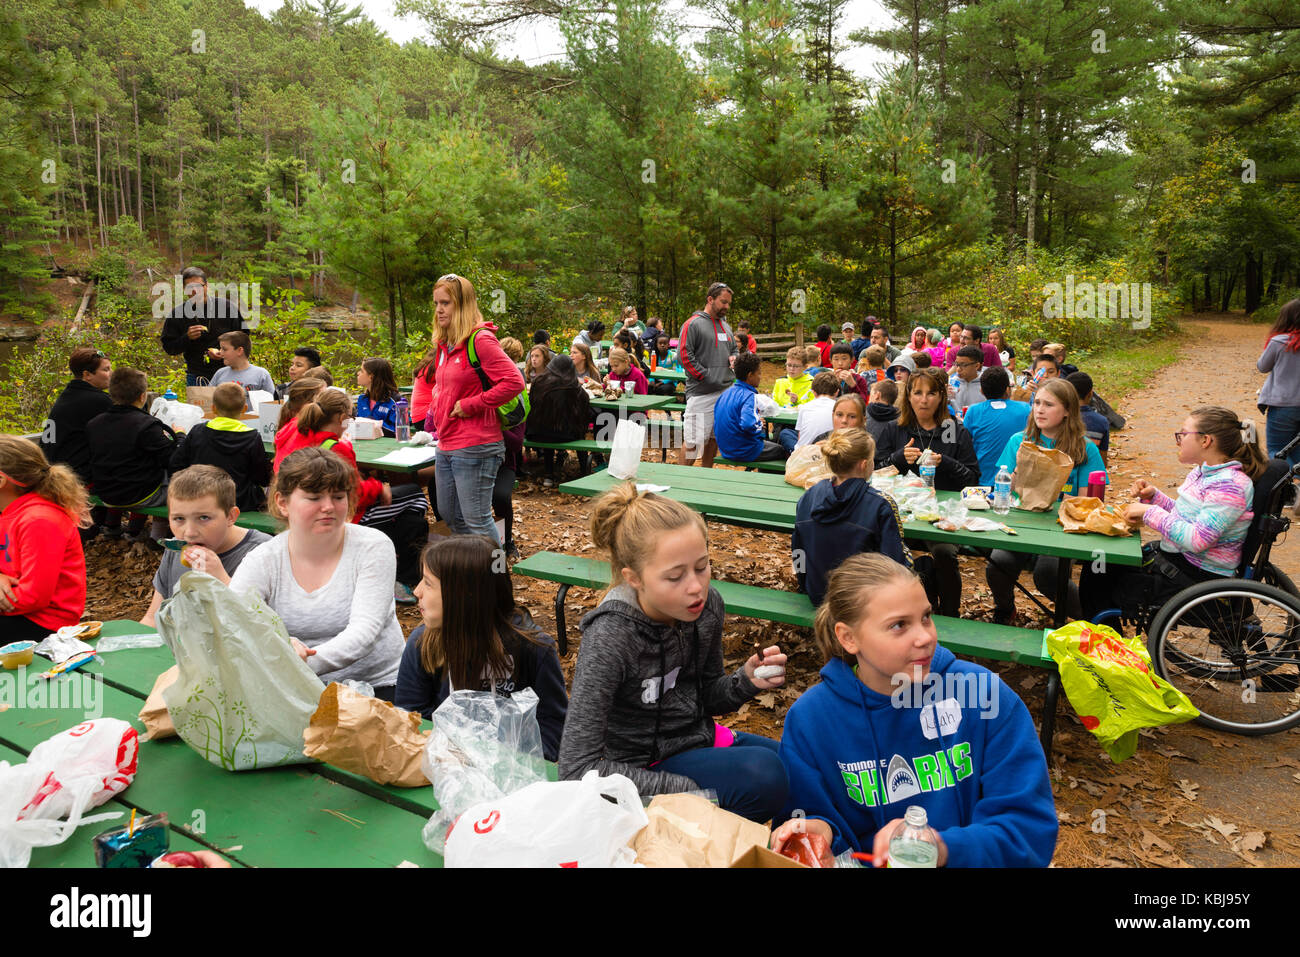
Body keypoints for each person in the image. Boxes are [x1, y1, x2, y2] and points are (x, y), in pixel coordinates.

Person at [770, 554, 1058, 867]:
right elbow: (809, 824)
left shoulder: (983, 697)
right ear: (848, 637)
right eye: (898, 625)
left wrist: (940, 847)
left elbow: (1027, 832)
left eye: (926, 617)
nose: (925, 637)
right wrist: (818, 834)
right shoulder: (811, 721)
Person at [558, 484, 790, 823]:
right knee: (764, 775)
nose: (695, 586)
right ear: (634, 578)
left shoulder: (707, 607)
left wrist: (746, 681)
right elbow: (577, 768)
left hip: (694, 743)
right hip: (634, 769)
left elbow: (707, 697)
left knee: (799, 765)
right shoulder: (611, 636)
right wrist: (680, 791)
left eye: (701, 566)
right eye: (675, 576)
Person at [229, 447, 405, 698]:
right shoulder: (263, 560)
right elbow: (233, 621)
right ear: (282, 502)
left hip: (376, 687)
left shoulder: (373, 546)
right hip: (291, 687)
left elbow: (365, 631)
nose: (328, 507)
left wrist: (292, 663)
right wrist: (273, 649)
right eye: (314, 498)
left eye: (338, 496)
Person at [1080, 407, 1268, 621]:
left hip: (1196, 579)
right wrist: (1155, 499)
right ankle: (1108, 638)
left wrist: (1150, 513)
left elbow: (1198, 539)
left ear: (1205, 441)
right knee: (1100, 561)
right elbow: (1187, 517)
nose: (1178, 440)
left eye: (1183, 434)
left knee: (1097, 575)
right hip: (1177, 562)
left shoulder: (1229, 486)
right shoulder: (1205, 472)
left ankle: (1107, 644)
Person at [396, 536, 568, 759]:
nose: (417, 591)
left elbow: (553, 730)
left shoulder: (534, 649)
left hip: (514, 777)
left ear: (464, 596)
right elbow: (411, 720)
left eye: (428, 583)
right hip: (443, 769)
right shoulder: (423, 643)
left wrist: (497, 760)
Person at [984, 378, 1107, 624]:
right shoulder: (1019, 441)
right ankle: (1005, 609)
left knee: (1049, 573)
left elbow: (1089, 502)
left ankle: (1094, 621)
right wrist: (1018, 472)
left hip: (1063, 529)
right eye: (1037, 402)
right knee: (997, 564)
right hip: (1021, 525)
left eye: (1049, 404)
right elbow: (1002, 489)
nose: (1039, 409)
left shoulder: (1085, 449)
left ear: (1067, 411)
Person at [874, 368, 980, 617]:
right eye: (917, 393)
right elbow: (875, 473)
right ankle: (894, 608)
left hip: (942, 515)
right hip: (899, 511)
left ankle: (950, 613)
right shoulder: (895, 428)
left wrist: (946, 462)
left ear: (941, 397)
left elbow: (973, 479)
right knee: (880, 546)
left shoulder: (953, 430)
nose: (924, 400)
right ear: (908, 396)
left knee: (943, 551)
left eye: (931, 393)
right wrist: (898, 459)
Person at [430, 274, 525, 544]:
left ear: (463, 305)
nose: (439, 310)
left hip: (477, 444)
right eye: (436, 303)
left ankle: (496, 579)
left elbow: (514, 382)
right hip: (446, 442)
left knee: (477, 519)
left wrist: (472, 404)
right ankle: (474, 572)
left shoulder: (480, 340)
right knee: (450, 515)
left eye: (446, 303)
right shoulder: (445, 344)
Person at [140, 465, 272, 627]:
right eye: (179, 519)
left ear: (231, 516)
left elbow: (267, 631)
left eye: (203, 518)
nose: (189, 532)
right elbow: (153, 619)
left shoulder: (263, 553)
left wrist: (222, 580)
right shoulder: (177, 548)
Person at [792, 429, 910, 605]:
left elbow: (798, 551)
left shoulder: (808, 497)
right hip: (862, 603)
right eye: (872, 459)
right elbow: (894, 563)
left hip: (818, 595)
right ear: (864, 465)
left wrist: (805, 585)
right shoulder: (881, 505)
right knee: (924, 566)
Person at [0, 435, 88, 639]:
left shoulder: (39, 520)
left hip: (44, 624)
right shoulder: (9, 512)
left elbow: (34, 596)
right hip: (15, 611)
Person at [87, 367, 177, 542]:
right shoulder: (147, 426)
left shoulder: (94, 424)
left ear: (112, 394)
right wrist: (179, 435)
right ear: (143, 396)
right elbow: (172, 459)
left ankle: (114, 527)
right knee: (176, 477)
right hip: (141, 495)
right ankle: (157, 537)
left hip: (106, 493)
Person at [41, 348, 113, 540]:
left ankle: (106, 523)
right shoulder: (99, 401)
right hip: (72, 477)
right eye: (106, 370)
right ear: (87, 375)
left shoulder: (68, 395)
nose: (111, 375)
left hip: (50, 472)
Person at [170, 382, 272, 512]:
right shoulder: (252, 437)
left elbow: (175, 464)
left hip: (201, 498)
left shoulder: (197, 431)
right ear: (244, 409)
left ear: (213, 408)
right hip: (240, 502)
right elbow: (263, 478)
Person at [678, 282, 738, 468]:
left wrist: (735, 358)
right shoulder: (693, 324)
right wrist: (706, 376)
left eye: (728, 303)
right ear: (710, 299)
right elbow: (684, 356)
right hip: (701, 393)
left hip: (725, 393)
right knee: (693, 442)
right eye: (723, 302)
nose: (726, 307)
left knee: (714, 439)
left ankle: (706, 478)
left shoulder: (726, 326)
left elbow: (734, 348)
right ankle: (680, 482)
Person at [159, 266, 247, 385]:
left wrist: (225, 353)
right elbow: (169, 348)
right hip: (197, 376)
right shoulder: (177, 314)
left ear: (207, 285)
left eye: (199, 286)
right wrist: (187, 338)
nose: (195, 291)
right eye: (190, 287)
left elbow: (244, 337)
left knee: (233, 404)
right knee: (198, 405)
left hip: (230, 372)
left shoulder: (226, 307)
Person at [526, 353, 595, 486]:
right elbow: (585, 412)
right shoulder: (575, 388)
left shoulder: (538, 382)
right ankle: (583, 471)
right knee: (578, 431)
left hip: (536, 433)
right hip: (566, 435)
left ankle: (549, 475)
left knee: (548, 426)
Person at [1257, 298, 1300, 490]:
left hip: (1283, 405)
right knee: (1297, 450)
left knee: (1277, 449)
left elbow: (1262, 366)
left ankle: (1296, 487)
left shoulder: (1279, 342)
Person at [961, 367, 1031, 486]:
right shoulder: (1025, 409)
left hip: (982, 480)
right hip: (1016, 481)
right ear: (1007, 389)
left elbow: (965, 443)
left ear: (982, 390)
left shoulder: (973, 411)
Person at [715, 352, 788, 462]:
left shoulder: (726, 393)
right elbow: (748, 424)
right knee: (782, 450)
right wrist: (758, 422)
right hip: (744, 451)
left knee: (768, 443)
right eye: (758, 373)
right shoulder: (749, 396)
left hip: (725, 449)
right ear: (750, 375)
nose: (760, 377)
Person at [209, 331, 277, 405]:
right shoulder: (220, 373)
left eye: (224, 349)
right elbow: (209, 400)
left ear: (239, 351)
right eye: (220, 349)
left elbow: (272, 404)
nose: (220, 353)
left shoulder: (261, 374)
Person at [1066, 371, 1111, 467]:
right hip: (1089, 476)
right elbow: (1102, 463)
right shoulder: (1101, 422)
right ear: (1090, 394)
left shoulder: (1059, 417)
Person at [786, 372, 839, 452]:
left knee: (785, 433)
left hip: (805, 453)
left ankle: (791, 453)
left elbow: (800, 436)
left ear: (813, 392)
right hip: (831, 449)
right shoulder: (839, 407)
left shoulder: (805, 407)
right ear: (837, 392)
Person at [355, 357, 403, 437]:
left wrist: (374, 424)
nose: (358, 373)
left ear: (371, 377)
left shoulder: (395, 401)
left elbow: (401, 431)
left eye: (362, 371)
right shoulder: (362, 400)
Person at [948, 345, 986, 413]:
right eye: (957, 364)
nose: (958, 369)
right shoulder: (952, 382)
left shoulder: (986, 383)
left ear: (977, 366)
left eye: (963, 365)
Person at [864, 379, 900, 443]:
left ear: (877, 395)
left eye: (871, 393)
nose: (869, 397)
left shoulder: (863, 413)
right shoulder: (900, 418)